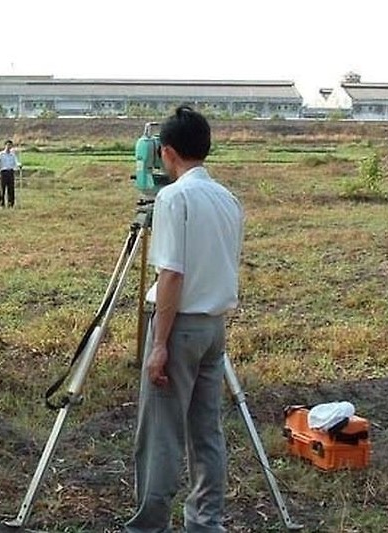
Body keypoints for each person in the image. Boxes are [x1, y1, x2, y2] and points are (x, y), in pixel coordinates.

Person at [125, 105, 244, 533]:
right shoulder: (228, 198)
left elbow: (171, 273)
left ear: (166, 152)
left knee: (161, 435)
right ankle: (206, 523)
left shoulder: (174, 198)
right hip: (214, 329)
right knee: (206, 434)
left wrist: (158, 344)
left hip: (180, 327)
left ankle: (148, 525)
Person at [0, 139, 21, 207]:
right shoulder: (1, 154)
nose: (9, 146)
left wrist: (19, 165)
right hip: (3, 172)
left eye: (10, 145)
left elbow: (16, 162)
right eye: (8, 145)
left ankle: (11, 204)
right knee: (2, 189)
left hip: (10, 172)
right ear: (5, 145)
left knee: (11, 189)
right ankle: (2, 204)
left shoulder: (12, 155)